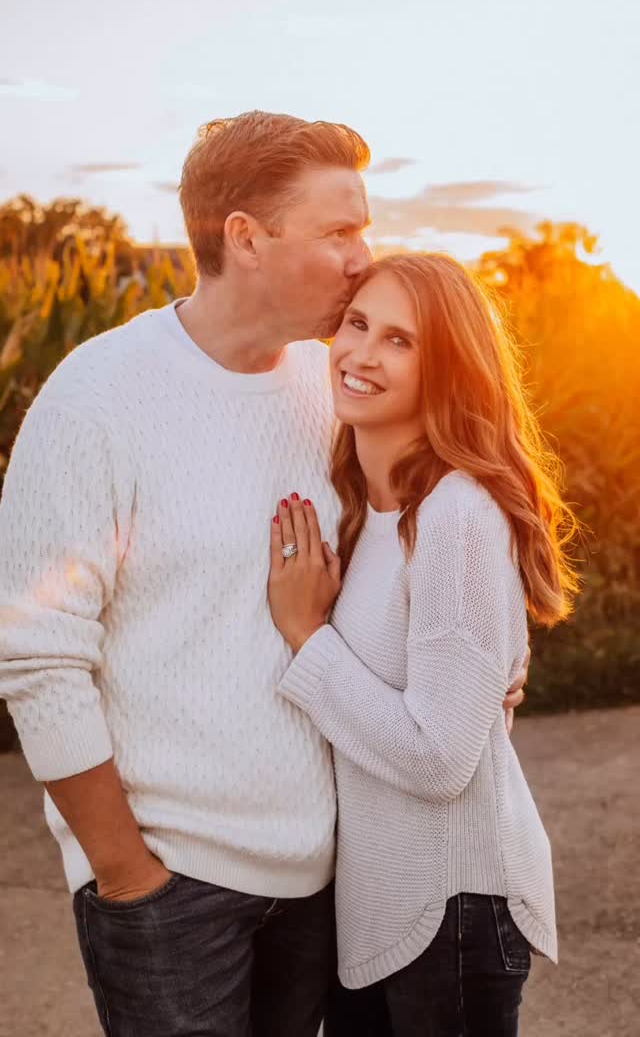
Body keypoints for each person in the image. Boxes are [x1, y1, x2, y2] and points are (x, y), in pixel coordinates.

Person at [0, 113, 525, 1037]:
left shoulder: (334, 386)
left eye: (363, 229)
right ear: (245, 237)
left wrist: (488, 670)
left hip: (327, 882)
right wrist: (125, 873)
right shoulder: (97, 396)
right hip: (172, 890)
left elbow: (421, 556)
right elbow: (36, 657)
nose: (364, 258)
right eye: (338, 232)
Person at [267, 252, 579, 1036]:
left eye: (401, 341)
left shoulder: (456, 516)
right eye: (358, 323)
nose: (363, 353)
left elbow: (441, 758)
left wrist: (308, 639)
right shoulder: (367, 508)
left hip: (454, 906)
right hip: (384, 905)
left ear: (447, 370)